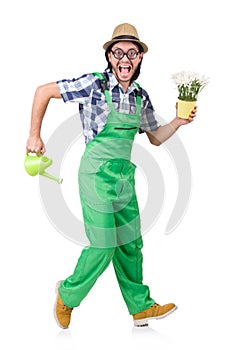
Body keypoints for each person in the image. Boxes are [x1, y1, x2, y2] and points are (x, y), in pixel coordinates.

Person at [26, 23, 197, 328]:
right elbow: (43, 92)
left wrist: (179, 121)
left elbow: (154, 138)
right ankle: (67, 294)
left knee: (131, 244)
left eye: (132, 52)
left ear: (140, 58)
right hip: (95, 176)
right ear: (109, 56)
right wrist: (34, 135)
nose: (125, 58)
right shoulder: (93, 84)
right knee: (104, 245)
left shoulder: (140, 97)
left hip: (124, 179)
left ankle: (140, 306)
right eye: (118, 52)